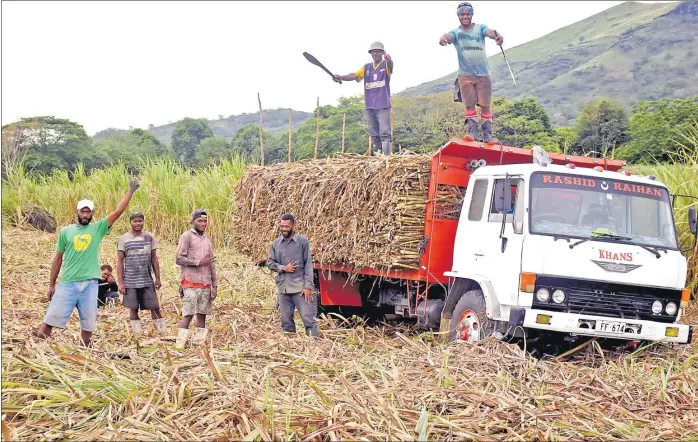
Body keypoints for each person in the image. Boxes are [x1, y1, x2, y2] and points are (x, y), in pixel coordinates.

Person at [35, 179, 140, 347]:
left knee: (88, 323)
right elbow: (58, 258)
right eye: (82, 212)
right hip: (68, 282)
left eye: (88, 212)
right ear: (77, 212)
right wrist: (51, 284)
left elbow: (118, 211)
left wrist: (131, 191)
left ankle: (84, 351)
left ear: (92, 213)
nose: (85, 215)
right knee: (50, 319)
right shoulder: (66, 232)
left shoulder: (97, 229)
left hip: (90, 284)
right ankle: (37, 348)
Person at [440, 1, 504, 144]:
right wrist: (443, 39)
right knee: (469, 104)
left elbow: (489, 32)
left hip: (483, 74)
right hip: (465, 74)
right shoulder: (456, 33)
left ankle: (487, 135)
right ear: (458, 16)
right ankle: (472, 132)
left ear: (471, 15)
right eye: (462, 14)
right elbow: (448, 36)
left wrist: (497, 36)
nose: (465, 16)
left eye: (468, 14)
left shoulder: (480, 28)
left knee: (485, 104)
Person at [332, 42, 394, 156]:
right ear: (371, 53)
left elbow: (391, 67)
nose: (376, 53)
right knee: (374, 134)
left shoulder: (385, 65)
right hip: (370, 106)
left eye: (378, 51)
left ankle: (386, 157)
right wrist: (341, 77)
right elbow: (354, 75)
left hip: (383, 106)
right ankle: (377, 155)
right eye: (373, 51)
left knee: (384, 133)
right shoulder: (367, 67)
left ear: (382, 53)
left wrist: (389, 61)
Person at [266, 214, 318, 338]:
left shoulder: (302, 242)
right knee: (286, 321)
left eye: (287, 226)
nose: (284, 229)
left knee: (308, 319)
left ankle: (316, 345)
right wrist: (283, 268)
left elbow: (308, 265)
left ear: (293, 226)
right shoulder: (276, 244)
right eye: (282, 226)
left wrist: (308, 287)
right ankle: (291, 345)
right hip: (283, 288)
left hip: (300, 288)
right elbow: (270, 263)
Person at [174, 209, 218, 349]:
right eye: (200, 221)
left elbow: (211, 263)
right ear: (193, 221)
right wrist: (198, 262)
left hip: (205, 284)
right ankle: (180, 346)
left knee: (202, 315)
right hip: (190, 283)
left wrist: (214, 285)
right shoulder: (186, 236)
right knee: (188, 314)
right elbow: (179, 259)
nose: (203, 224)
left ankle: (198, 346)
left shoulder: (207, 240)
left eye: (205, 221)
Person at [116, 211, 165, 335]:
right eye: (135, 221)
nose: (138, 223)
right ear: (130, 222)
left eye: (140, 221)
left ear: (143, 221)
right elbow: (120, 261)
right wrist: (121, 283)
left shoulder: (149, 237)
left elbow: (154, 258)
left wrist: (157, 278)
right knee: (133, 308)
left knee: (154, 307)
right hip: (130, 280)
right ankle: (137, 335)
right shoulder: (124, 239)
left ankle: (162, 333)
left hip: (147, 279)